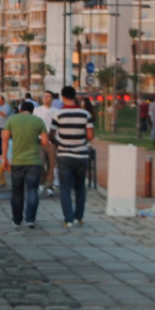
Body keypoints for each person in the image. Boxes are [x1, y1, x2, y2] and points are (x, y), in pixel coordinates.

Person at [2, 101, 50, 228]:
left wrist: (5, 158)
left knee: (17, 191)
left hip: (17, 161)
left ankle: (17, 219)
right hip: (34, 161)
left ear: (20, 109)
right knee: (32, 190)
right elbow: (45, 142)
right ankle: (30, 219)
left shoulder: (12, 120)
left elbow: (5, 138)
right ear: (32, 110)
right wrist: (36, 140)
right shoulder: (38, 121)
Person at [51, 86, 94, 228]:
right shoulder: (85, 114)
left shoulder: (58, 114)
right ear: (75, 96)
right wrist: (82, 142)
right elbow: (90, 136)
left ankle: (68, 219)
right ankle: (79, 216)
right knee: (80, 187)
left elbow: (51, 135)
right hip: (81, 154)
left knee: (65, 188)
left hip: (64, 155)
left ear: (63, 97)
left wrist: (60, 143)